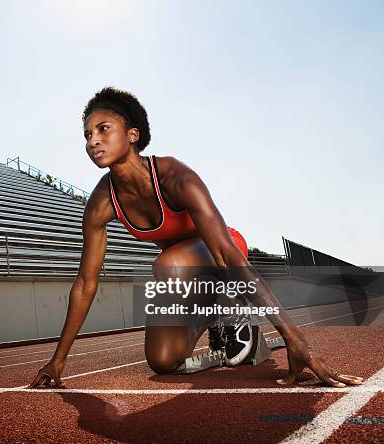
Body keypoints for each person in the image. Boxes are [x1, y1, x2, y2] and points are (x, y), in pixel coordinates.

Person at [28, 87, 363, 389]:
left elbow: (228, 256)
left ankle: (227, 305)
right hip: (183, 276)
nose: (92, 141)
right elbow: (86, 283)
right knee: (163, 361)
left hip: (223, 251)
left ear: (132, 135)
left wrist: (295, 339)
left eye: (103, 129)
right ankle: (223, 324)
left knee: (168, 264)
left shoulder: (175, 176)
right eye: (87, 134)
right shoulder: (101, 203)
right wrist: (58, 361)